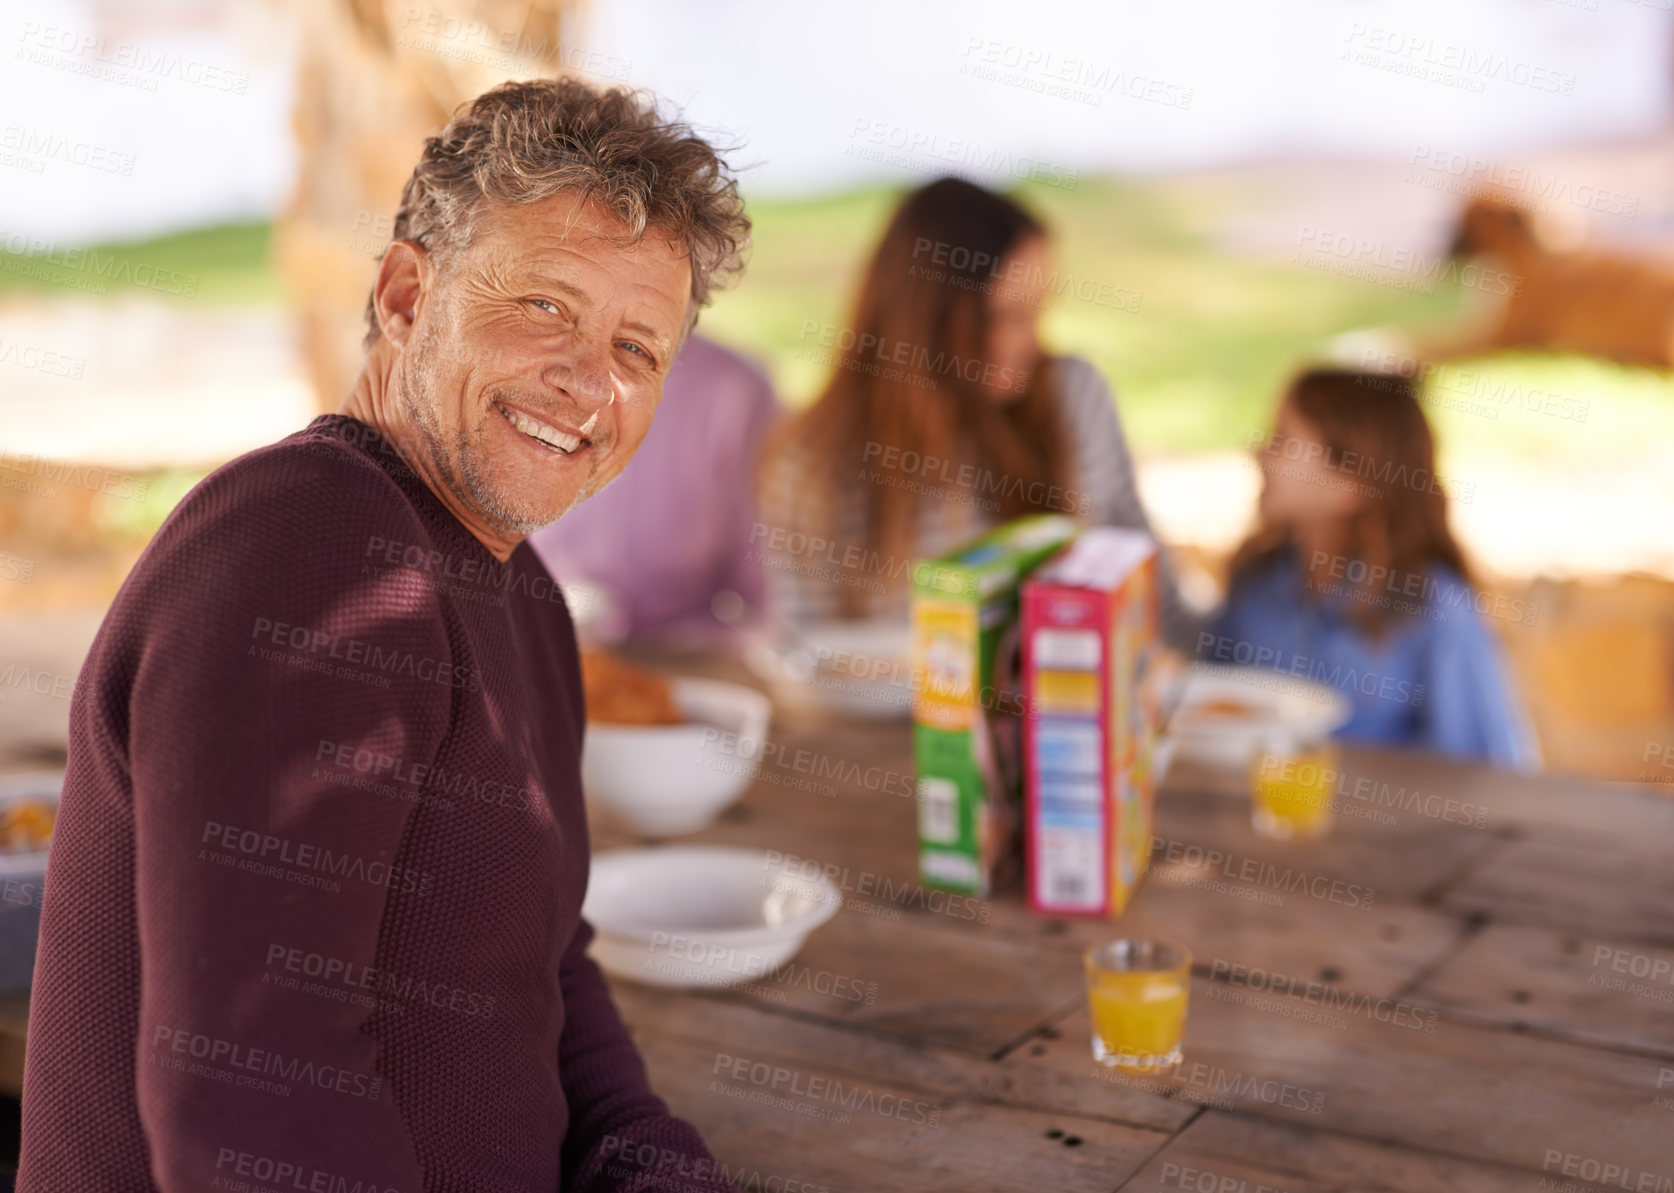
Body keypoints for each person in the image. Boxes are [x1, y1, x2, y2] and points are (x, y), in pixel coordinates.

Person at [19, 79, 749, 1192]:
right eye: (545, 305)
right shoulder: (310, 546)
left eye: (638, 347)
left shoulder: (523, 591)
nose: (589, 379)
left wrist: (652, 1162)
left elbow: (543, 970)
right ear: (407, 295)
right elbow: (248, 1108)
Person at [756, 176, 1199, 651]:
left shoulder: (1075, 397)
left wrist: (1211, 672)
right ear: (922, 321)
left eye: (1037, 312)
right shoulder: (811, 464)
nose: (1028, 343)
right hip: (890, 724)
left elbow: (1148, 576)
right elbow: (805, 652)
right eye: (1004, 318)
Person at [1202, 367, 1539, 771]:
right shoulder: (1256, 587)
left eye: (1282, 441)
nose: (1258, 454)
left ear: (1352, 485)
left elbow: (1492, 769)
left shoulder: (1436, 609)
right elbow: (1210, 709)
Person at [529, 332, 780, 643]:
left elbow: (757, 602)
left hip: (687, 662)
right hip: (541, 639)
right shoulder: (533, 359)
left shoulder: (736, 390)